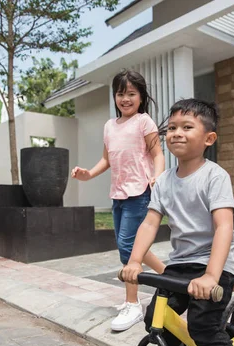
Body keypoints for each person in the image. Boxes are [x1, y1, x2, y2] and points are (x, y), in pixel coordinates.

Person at [122, 99, 234, 346]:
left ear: (209, 138)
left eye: (187, 127)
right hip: (181, 263)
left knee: (203, 325)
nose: (176, 133)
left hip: (213, 264)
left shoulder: (214, 176)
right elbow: (149, 224)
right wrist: (134, 262)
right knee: (154, 315)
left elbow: (224, 226)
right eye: (171, 128)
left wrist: (211, 276)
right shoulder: (164, 181)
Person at [71, 70, 167, 332]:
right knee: (134, 248)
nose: (126, 99)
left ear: (141, 96)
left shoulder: (144, 122)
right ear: (115, 96)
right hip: (118, 194)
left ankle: (133, 304)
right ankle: (167, 276)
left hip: (139, 191)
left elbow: (158, 155)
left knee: (127, 248)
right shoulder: (109, 126)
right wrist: (88, 174)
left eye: (131, 94)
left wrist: (157, 177)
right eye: (121, 93)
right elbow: (107, 159)